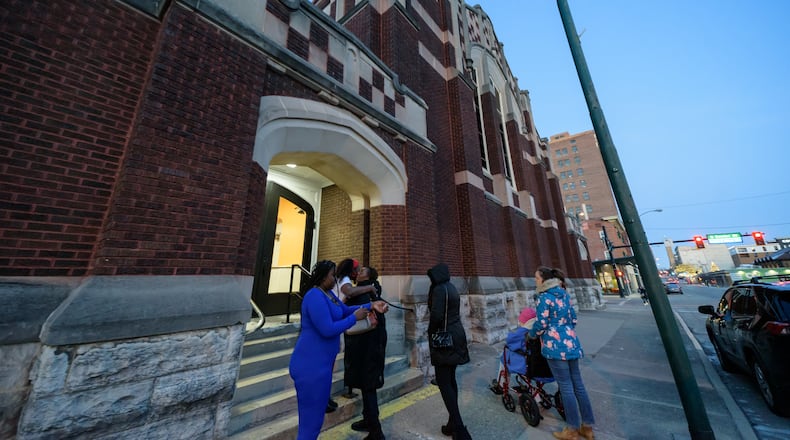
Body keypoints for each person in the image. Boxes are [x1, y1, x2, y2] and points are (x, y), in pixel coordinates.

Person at [289, 260, 389, 440]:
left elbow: (345, 310)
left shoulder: (328, 295)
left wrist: (370, 306)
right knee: (310, 424)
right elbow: (327, 329)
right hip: (310, 365)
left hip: (323, 366)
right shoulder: (314, 296)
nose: (336, 279)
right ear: (322, 276)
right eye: (332, 275)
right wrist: (354, 319)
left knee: (316, 420)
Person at [528, 266, 595, 440]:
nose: (535, 281)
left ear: (543, 280)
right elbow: (573, 319)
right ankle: (587, 427)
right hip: (571, 343)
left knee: (565, 387)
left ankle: (572, 430)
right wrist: (565, 331)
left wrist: (532, 334)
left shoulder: (544, 297)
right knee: (578, 385)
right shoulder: (563, 294)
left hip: (554, 345)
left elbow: (541, 323)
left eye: (536, 278)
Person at [427, 263, 471, 440]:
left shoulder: (439, 289)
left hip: (445, 339)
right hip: (457, 334)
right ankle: (453, 422)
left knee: (444, 383)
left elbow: (437, 316)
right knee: (451, 380)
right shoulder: (451, 288)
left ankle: (460, 430)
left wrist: (430, 331)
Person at [346, 266, 388, 439]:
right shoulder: (373, 291)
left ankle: (376, 431)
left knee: (368, 386)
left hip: (367, 347)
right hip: (370, 345)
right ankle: (368, 419)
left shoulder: (362, 294)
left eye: (362, 271)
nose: (358, 273)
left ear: (368, 277)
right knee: (367, 386)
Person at [336, 258, 377, 399]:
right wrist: (369, 288)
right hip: (337, 321)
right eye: (357, 269)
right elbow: (350, 292)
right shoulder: (345, 279)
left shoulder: (340, 279)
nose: (358, 271)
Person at [488, 307, 537, 394]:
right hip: (537, 362)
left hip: (524, 364)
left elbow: (509, 342)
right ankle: (524, 385)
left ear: (524, 322)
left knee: (504, 358)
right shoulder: (538, 330)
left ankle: (501, 385)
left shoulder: (521, 332)